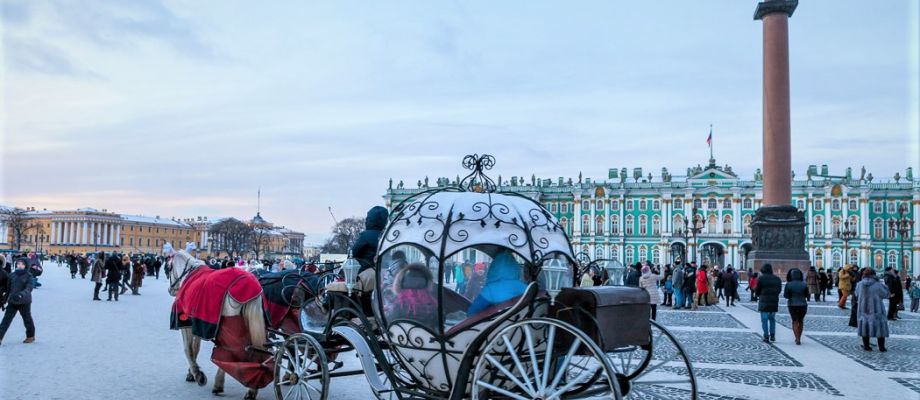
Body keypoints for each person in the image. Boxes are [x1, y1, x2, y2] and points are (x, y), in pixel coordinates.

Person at [389, 263, 438, 329]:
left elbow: (390, 321)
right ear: (428, 282)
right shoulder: (431, 302)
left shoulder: (399, 302)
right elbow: (439, 321)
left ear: (400, 282)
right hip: (427, 337)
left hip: (401, 337)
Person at [0, 258, 36, 345]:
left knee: (27, 319)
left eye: (22, 264)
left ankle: (30, 336)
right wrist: (4, 300)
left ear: (26, 266)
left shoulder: (29, 276)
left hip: (24, 302)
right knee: (6, 320)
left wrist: (21, 294)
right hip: (12, 301)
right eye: (18, 264)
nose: (19, 265)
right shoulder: (12, 275)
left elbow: (29, 288)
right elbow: (8, 289)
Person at [856, 268, 889, 351]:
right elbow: (886, 294)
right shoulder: (877, 284)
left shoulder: (859, 284)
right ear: (874, 275)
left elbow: (856, 294)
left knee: (865, 327)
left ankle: (866, 346)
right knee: (880, 327)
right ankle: (881, 347)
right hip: (876, 310)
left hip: (863, 310)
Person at [350, 206, 389, 273]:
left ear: (370, 220)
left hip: (366, 272)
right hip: (383, 272)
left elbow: (353, 253)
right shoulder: (387, 235)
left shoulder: (366, 235)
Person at [754, 263, 782, 343]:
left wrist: (758, 295)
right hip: (774, 301)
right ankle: (772, 335)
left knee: (764, 319)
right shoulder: (777, 279)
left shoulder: (761, 278)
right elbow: (779, 290)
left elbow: (757, 290)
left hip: (764, 301)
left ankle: (766, 335)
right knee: (772, 319)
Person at [784, 268, 810, 345]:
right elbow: (806, 295)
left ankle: (797, 339)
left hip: (792, 304)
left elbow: (786, 295)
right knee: (801, 321)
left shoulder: (788, 284)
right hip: (803, 304)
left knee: (794, 321)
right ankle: (799, 337)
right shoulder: (804, 284)